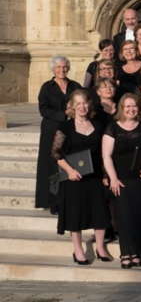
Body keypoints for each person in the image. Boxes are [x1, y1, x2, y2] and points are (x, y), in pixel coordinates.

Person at [51, 89, 112, 265]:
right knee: (74, 214)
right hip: (73, 178)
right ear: (72, 106)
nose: (82, 107)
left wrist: (106, 174)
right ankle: (78, 250)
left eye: (85, 103)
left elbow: (104, 152)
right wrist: (69, 171)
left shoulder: (98, 125)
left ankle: (100, 247)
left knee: (100, 212)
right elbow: (55, 153)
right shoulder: (65, 127)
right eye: (78, 104)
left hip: (95, 177)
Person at [102, 94, 141, 268]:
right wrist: (112, 178)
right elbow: (106, 156)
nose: (131, 109)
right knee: (123, 218)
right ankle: (125, 253)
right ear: (121, 108)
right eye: (127, 106)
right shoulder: (112, 128)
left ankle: (136, 252)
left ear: (138, 108)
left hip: (140, 180)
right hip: (120, 180)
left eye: (134, 106)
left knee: (138, 216)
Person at [36, 56, 82, 212]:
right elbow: (44, 109)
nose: (61, 70)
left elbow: (83, 102)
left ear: (68, 68)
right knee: (51, 165)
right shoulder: (47, 87)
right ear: (53, 69)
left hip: (71, 129)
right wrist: (63, 114)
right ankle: (52, 201)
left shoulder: (75, 85)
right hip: (51, 130)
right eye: (58, 67)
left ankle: (67, 200)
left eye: (64, 67)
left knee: (69, 162)